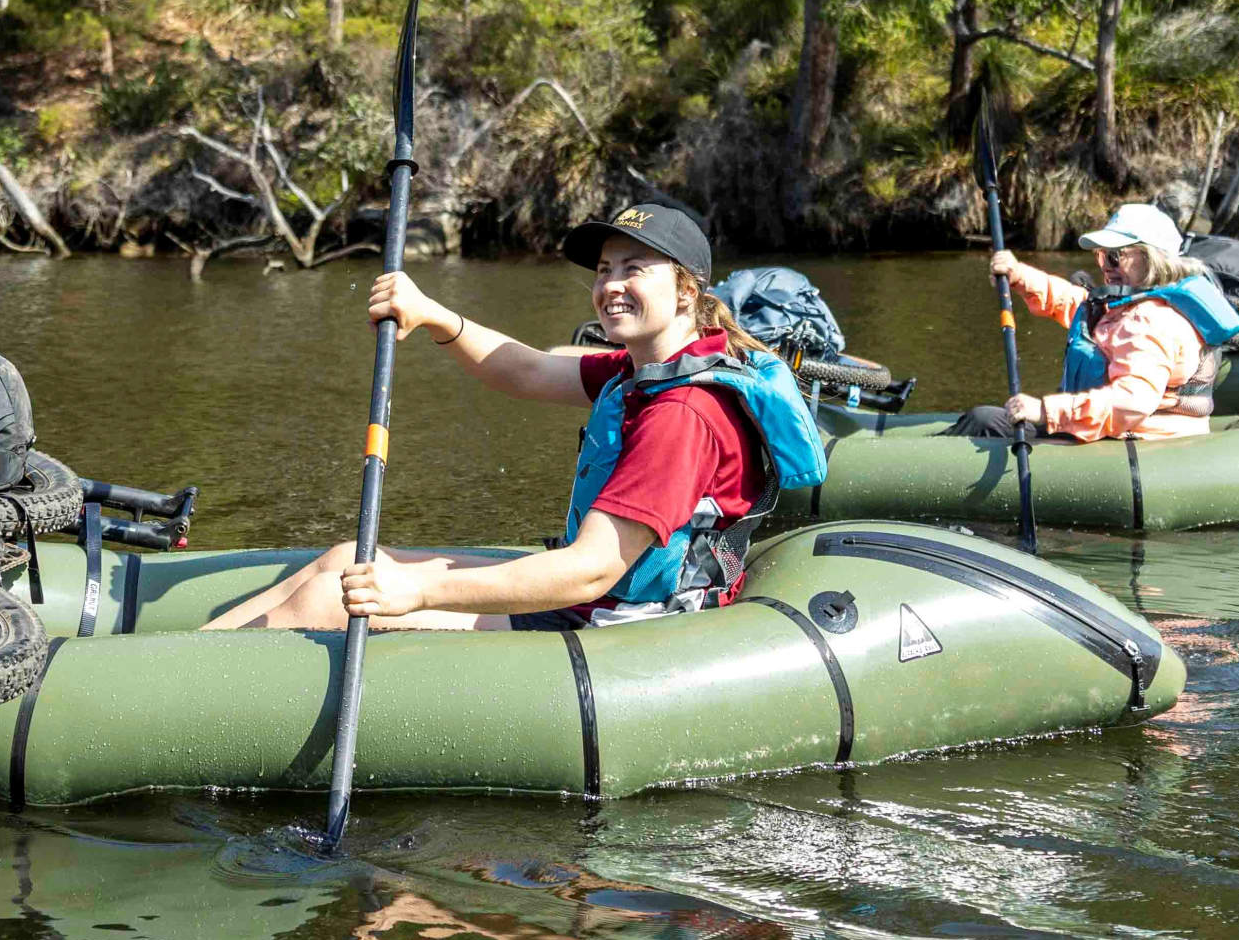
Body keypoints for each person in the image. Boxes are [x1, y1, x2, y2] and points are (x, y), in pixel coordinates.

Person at [207, 199, 828, 635]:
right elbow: (526, 371)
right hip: (590, 601)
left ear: (687, 290)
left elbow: (591, 570)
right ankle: (168, 661)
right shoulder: (639, 371)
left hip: (613, 620)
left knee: (330, 599)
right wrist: (435, 316)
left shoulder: (684, 412)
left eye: (633, 269)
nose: (610, 284)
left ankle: (167, 693)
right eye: (604, 269)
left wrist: (418, 592)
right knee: (346, 557)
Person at [966, 200, 1239, 442]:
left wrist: (1045, 411)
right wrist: (1019, 276)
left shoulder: (1149, 320)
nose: (1106, 267)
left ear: (1152, 259)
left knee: (985, 421)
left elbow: (1131, 402)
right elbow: (1075, 304)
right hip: (1121, 431)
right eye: (1102, 256)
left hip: (1140, 441)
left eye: (1115, 256)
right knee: (987, 419)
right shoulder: (1135, 304)